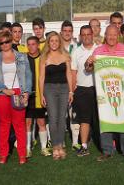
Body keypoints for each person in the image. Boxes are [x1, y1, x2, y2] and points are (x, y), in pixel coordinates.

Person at [90, 25, 124, 162]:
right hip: (105, 92)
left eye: (114, 35)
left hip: (123, 91)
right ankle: (106, 151)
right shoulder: (98, 50)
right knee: (105, 120)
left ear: (118, 36)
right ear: (105, 35)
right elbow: (89, 68)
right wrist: (89, 62)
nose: (111, 37)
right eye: (109, 35)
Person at [0, 30, 32, 164]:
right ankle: (3, 154)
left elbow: (28, 76)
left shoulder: (22, 57)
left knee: (19, 124)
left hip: (19, 92)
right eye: (1, 43)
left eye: (7, 41)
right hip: (1, 93)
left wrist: (26, 92)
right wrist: (3, 89)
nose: (5, 44)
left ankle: (22, 155)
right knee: (4, 124)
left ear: (11, 41)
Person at [39, 31, 74, 160]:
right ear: (48, 42)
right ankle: (55, 147)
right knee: (53, 119)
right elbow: (41, 77)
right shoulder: (44, 57)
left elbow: (69, 74)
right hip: (49, 89)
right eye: (51, 40)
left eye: (56, 40)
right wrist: (42, 94)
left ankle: (60, 146)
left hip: (64, 88)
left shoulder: (65, 56)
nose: (54, 43)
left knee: (62, 118)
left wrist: (71, 91)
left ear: (59, 42)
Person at [70, 25, 98, 157]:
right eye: (84, 35)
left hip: (99, 89)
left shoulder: (99, 49)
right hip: (82, 89)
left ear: (93, 34)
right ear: (80, 36)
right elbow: (73, 73)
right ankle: (84, 146)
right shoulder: (76, 51)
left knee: (99, 119)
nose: (86, 37)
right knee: (84, 120)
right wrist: (72, 91)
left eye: (88, 34)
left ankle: (106, 145)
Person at [24, 35, 49, 157]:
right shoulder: (23, 59)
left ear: (38, 45)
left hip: (40, 96)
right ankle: (27, 148)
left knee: (41, 122)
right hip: (28, 96)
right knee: (27, 122)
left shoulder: (44, 58)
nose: (31, 47)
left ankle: (44, 148)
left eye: (33, 44)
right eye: (28, 44)